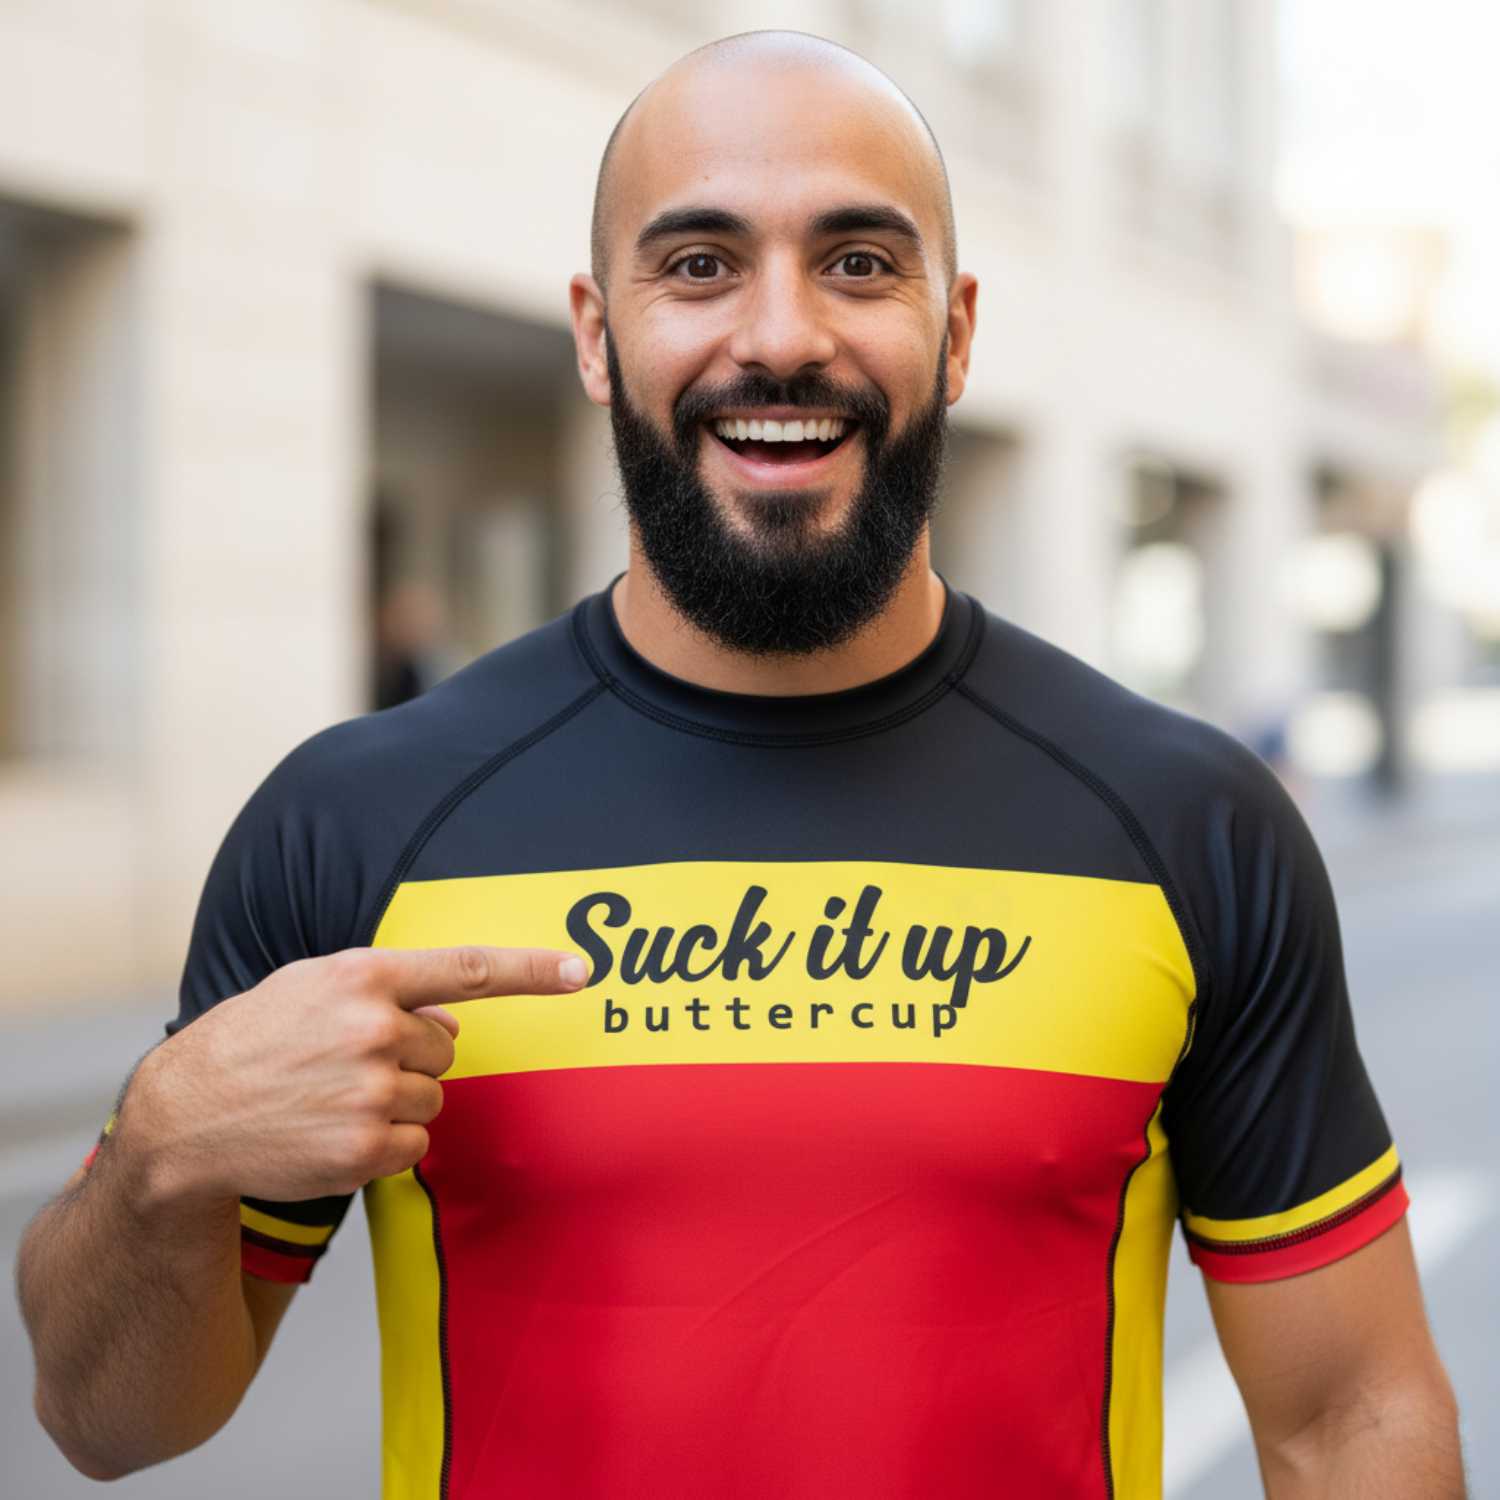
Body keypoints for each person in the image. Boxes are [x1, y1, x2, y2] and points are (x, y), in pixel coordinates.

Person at [18, 29, 1463, 1500]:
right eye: (700, 265)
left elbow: (1350, 1416)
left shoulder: (1188, 823)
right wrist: (160, 1151)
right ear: (597, 336)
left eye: (859, 263)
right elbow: (105, 1421)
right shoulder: (355, 823)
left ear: (958, 331)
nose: (779, 337)